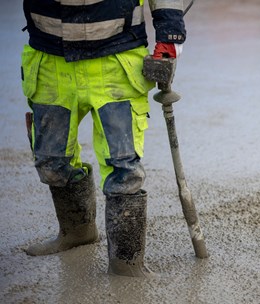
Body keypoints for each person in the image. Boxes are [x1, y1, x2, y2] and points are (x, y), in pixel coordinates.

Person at [21, 0, 186, 277]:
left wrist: (170, 32)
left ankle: (126, 261)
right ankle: (78, 231)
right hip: (49, 58)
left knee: (124, 167)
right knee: (51, 161)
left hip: (117, 58)